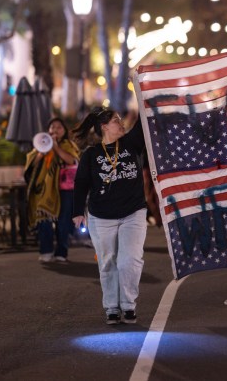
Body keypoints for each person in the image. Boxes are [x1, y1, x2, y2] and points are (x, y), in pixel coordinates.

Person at [72, 107, 148, 325]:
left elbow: (143, 120)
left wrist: (142, 89)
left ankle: (129, 305)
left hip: (133, 212)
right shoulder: (91, 154)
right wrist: (77, 211)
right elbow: (81, 184)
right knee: (107, 262)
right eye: (116, 120)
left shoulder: (131, 143)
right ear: (104, 127)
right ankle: (112, 307)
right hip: (101, 217)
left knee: (129, 260)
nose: (121, 123)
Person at [25, 117, 80, 263]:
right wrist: (41, 152)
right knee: (44, 220)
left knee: (63, 221)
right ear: (48, 130)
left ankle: (61, 252)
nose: (55, 130)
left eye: (59, 127)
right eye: (52, 127)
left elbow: (71, 160)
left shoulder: (68, 145)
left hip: (64, 189)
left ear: (64, 130)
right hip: (44, 191)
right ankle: (46, 251)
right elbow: (31, 166)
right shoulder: (41, 144)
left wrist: (55, 147)